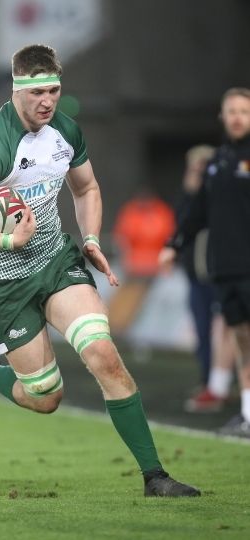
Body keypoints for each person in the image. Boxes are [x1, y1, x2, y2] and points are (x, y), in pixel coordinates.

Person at [0, 44, 199, 497]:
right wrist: (4, 239)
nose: (47, 101)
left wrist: (91, 238)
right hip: (3, 280)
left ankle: (155, 476)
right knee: (45, 398)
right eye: (37, 92)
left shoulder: (65, 130)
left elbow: (88, 187)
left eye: (54, 90)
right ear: (16, 90)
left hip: (55, 261)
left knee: (104, 356)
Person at [159, 87, 250, 437]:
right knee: (242, 343)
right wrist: (173, 244)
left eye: (244, 110)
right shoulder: (216, 163)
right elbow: (196, 213)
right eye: (232, 111)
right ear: (223, 117)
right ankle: (246, 413)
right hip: (225, 268)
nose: (238, 117)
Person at [174, 145, 237, 413]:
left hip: (221, 274)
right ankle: (210, 382)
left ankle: (225, 382)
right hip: (196, 276)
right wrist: (190, 193)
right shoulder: (188, 198)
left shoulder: (221, 193)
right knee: (204, 331)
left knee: (228, 329)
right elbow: (182, 224)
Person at [108, 187, 175, 337]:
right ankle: (112, 324)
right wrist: (126, 259)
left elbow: (169, 241)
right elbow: (122, 239)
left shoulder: (162, 212)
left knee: (138, 295)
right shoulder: (130, 211)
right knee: (121, 291)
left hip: (154, 268)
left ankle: (121, 327)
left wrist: (163, 264)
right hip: (133, 267)